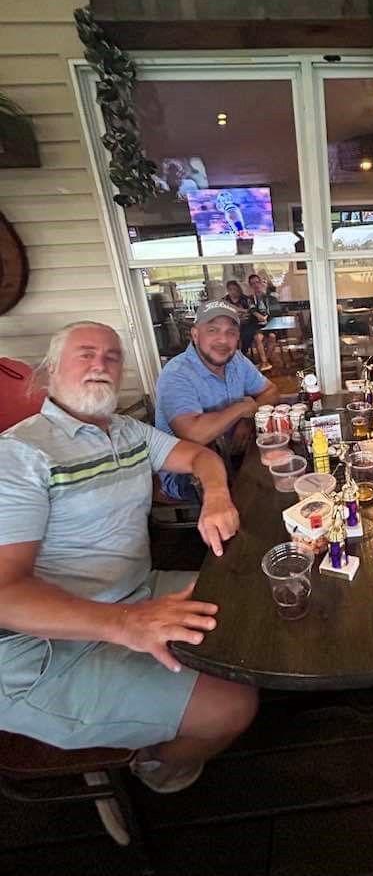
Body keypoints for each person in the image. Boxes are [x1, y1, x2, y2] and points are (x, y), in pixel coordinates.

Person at [0, 321, 259, 845]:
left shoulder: (125, 430)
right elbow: (5, 595)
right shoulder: (20, 455)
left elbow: (200, 456)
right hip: (42, 650)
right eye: (86, 353)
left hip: (135, 593)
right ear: (50, 371)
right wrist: (125, 623)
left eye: (113, 356)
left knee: (253, 606)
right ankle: (154, 766)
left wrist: (216, 495)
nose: (102, 364)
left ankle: (137, 716)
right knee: (234, 704)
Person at [155, 300, 278, 500]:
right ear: (195, 335)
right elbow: (194, 435)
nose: (223, 340)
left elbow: (271, 391)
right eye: (212, 330)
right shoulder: (176, 374)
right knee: (262, 492)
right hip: (188, 472)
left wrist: (246, 420)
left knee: (280, 469)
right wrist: (240, 409)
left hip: (234, 454)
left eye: (231, 332)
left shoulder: (236, 360)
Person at [240, 273, 275, 371]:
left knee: (273, 337)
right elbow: (252, 310)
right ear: (251, 286)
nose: (256, 285)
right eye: (253, 283)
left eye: (257, 282)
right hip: (256, 325)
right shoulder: (250, 298)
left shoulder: (267, 297)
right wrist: (259, 316)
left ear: (261, 283)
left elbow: (273, 310)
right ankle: (264, 362)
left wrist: (268, 316)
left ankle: (264, 362)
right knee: (258, 337)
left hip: (269, 325)